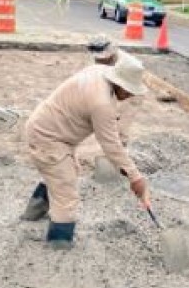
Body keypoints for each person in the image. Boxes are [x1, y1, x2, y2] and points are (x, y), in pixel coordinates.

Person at [20, 53, 150, 249]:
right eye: (130, 90)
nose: (131, 95)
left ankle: (33, 213)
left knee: (64, 174)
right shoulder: (101, 104)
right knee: (65, 191)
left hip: (51, 129)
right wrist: (135, 177)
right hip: (48, 137)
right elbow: (111, 145)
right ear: (120, 83)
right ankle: (59, 243)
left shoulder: (100, 72)